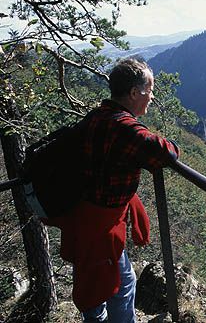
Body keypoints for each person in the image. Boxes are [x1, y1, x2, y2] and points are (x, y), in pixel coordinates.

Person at [46, 58, 179, 322]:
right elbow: (166, 152)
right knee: (103, 292)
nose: (151, 97)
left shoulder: (97, 116)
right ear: (133, 93)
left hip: (83, 219)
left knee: (109, 282)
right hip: (100, 229)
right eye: (149, 90)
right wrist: (173, 143)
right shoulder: (125, 129)